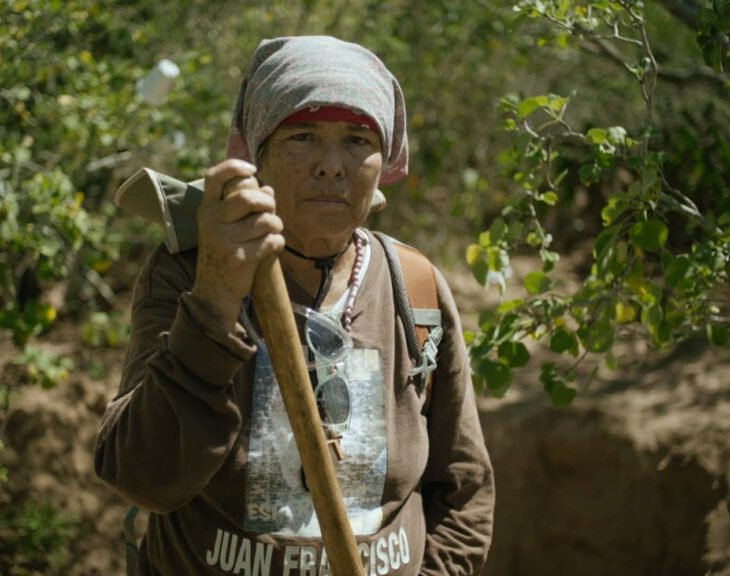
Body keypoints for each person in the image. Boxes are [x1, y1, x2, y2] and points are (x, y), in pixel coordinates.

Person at [95, 35, 494, 576]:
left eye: (357, 140)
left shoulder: (416, 286)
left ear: (384, 162)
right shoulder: (190, 273)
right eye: (303, 137)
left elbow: (463, 489)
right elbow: (144, 477)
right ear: (258, 154)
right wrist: (214, 299)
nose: (331, 165)